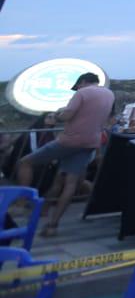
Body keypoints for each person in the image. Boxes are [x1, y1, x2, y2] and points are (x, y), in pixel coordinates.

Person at [16, 72, 113, 237]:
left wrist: (58, 114)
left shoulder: (82, 93)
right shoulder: (109, 94)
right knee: (69, 183)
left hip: (69, 141)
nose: (77, 89)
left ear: (83, 82)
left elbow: (67, 115)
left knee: (25, 162)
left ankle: (21, 202)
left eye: (77, 86)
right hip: (90, 143)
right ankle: (53, 225)